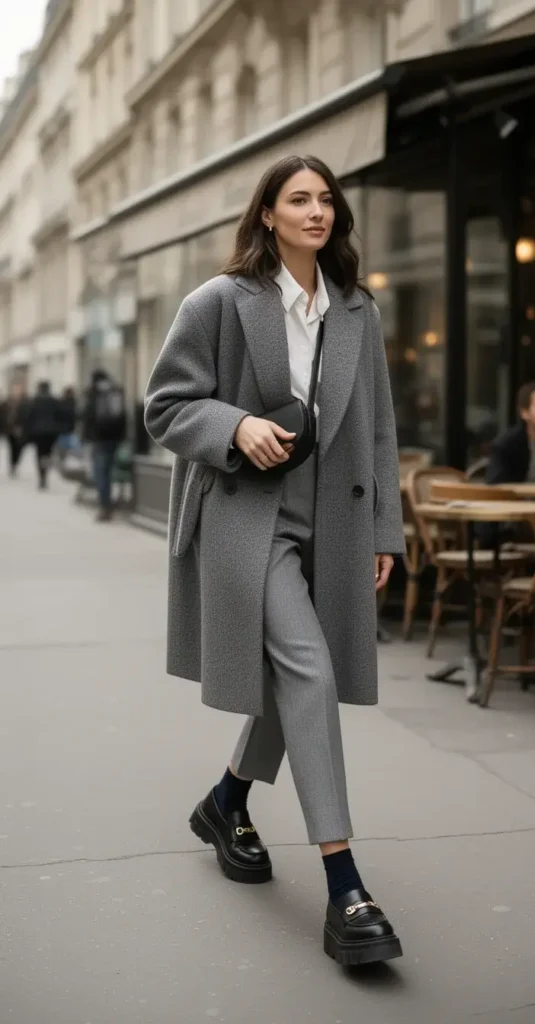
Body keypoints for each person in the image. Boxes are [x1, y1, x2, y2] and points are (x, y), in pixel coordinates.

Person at [144, 155, 405, 967]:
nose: (317, 211)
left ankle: (227, 802)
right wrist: (234, 427)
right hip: (246, 519)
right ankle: (344, 886)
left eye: (327, 199)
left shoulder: (356, 308)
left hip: (334, 521)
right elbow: (165, 405)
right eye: (298, 199)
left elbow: (379, 431)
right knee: (309, 670)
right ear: (267, 215)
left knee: (297, 678)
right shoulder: (221, 301)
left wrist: (384, 534)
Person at [82, 370, 127, 521]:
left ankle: (104, 506)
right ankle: (107, 503)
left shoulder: (93, 393)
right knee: (108, 472)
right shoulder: (116, 391)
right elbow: (123, 416)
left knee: (100, 474)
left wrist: (86, 437)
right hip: (114, 439)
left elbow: (87, 417)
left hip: (99, 439)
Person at [25, 381, 64, 490]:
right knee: (47, 453)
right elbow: (60, 416)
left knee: (39, 453)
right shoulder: (54, 401)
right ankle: (45, 473)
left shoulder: (35, 401)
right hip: (51, 433)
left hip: (38, 432)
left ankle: (42, 475)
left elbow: (29, 417)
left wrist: (28, 431)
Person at [1, 382, 28, 477]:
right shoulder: (6, 403)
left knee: (19, 448)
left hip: (20, 430)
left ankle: (15, 463)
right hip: (9, 430)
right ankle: (13, 465)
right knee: (12, 448)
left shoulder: (25, 403)